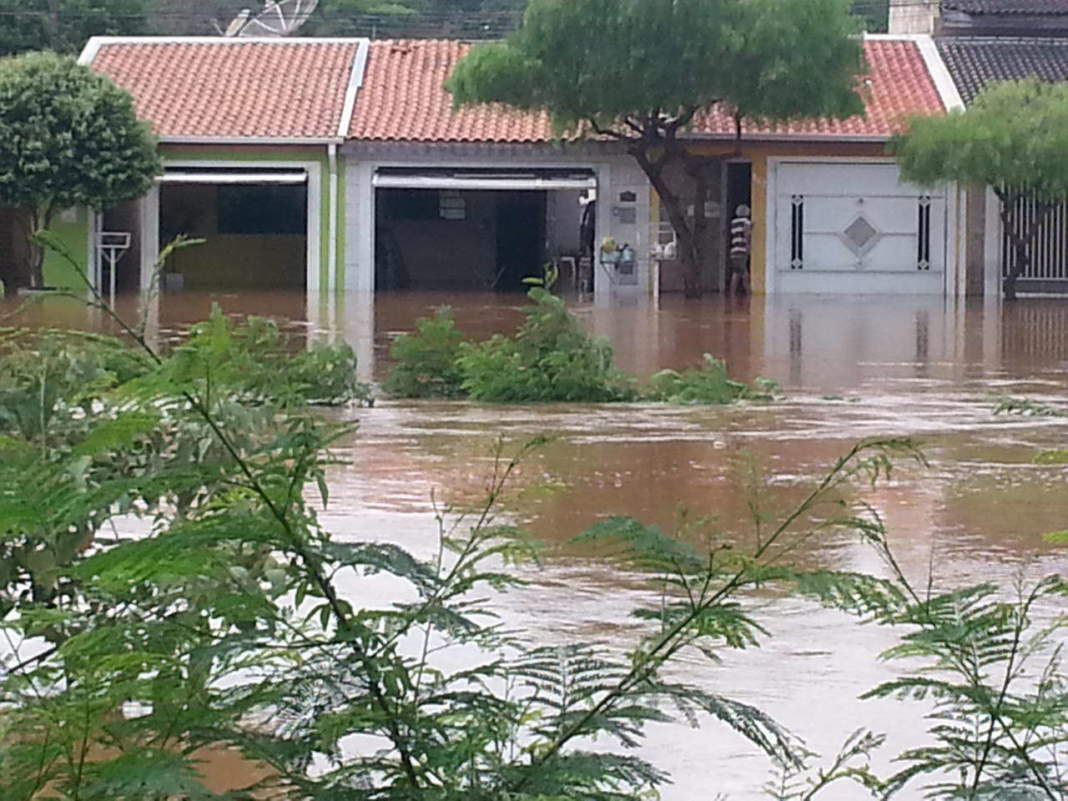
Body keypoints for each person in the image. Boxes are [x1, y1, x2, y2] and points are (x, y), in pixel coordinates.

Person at [728, 204, 753, 296]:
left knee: (737, 272)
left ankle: (733, 293)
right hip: (742, 250)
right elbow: (747, 234)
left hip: (734, 250)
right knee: (742, 273)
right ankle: (747, 292)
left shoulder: (733, 222)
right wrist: (748, 246)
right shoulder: (746, 222)